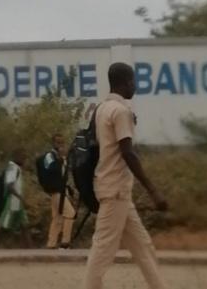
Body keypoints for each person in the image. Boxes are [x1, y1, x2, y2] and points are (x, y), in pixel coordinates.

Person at [83, 62, 169, 289]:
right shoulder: (121, 111)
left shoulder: (102, 108)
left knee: (144, 247)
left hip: (117, 190)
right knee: (102, 251)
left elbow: (112, 144)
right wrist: (153, 190)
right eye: (133, 81)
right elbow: (128, 154)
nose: (135, 85)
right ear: (125, 82)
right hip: (115, 190)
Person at [43, 133, 76, 249]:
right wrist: (60, 159)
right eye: (58, 142)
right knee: (70, 214)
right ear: (53, 143)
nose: (60, 145)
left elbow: (64, 175)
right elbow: (51, 169)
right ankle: (65, 242)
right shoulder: (50, 156)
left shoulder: (62, 157)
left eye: (62, 142)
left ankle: (51, 243)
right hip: (56, 191)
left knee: (57, 217)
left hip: (63, 190)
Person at [0, 150, 29, 246]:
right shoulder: (12, 168)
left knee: (24, 226)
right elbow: (10, 186)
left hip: (18, 203)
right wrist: (21, 198)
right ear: (16, 157)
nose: (24, 160)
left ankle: (30, 249)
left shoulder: (17, 168)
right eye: (23, 158)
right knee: (3, 226)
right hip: (13, 202)